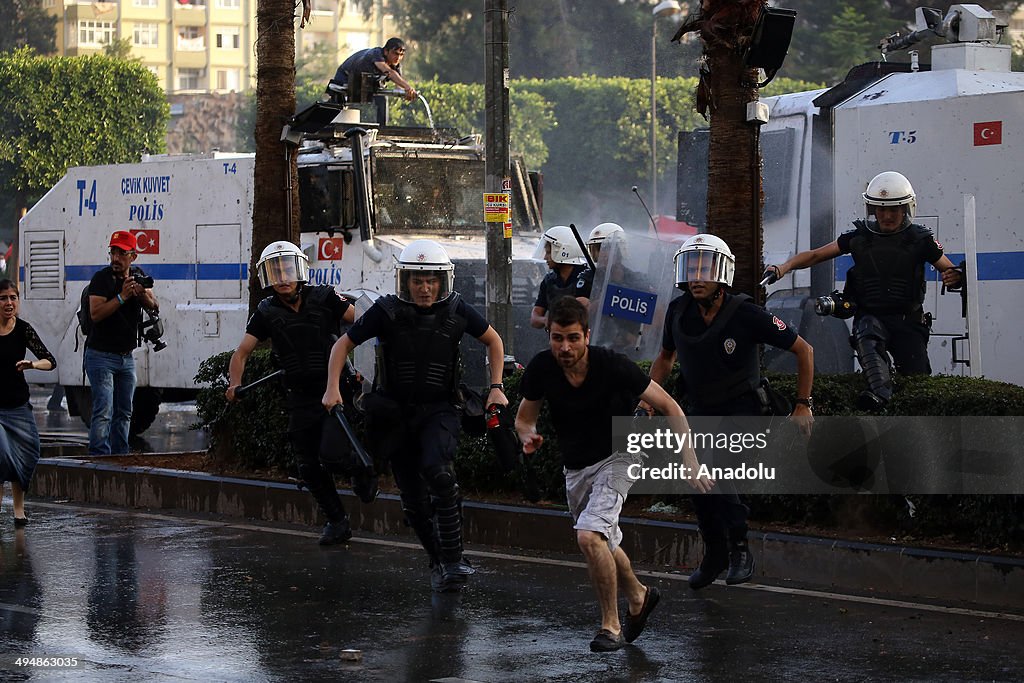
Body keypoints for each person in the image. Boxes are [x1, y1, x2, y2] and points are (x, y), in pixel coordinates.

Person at [515, 296, 712, 652]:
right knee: (603, 539)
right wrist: (528, 436)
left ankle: (611, 625)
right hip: (576, 467)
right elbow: (524, 419)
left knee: (590, 536)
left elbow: (671, 407)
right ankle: (639, 596)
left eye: (573, 338)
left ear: (587, 335)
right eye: (558, 338)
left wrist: (690, 460)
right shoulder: (542, 369)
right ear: (549, 336)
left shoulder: (612, 365)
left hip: (621, 454)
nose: (565, 346)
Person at [322, 239, 508, 591]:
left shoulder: (457, 310)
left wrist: (496, 385)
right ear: (406, 281)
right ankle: (438, 560)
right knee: (414, 499)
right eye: (418, 280)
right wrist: (333, 388)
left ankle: (454, 561)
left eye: (431, 281)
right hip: (393, 413)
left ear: (442, 282)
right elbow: (341, 345)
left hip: (440, 408)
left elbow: (494, 341)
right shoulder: (386, 311)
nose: (425, 288)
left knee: (439, 473)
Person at [646, 234, 814, 590]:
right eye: (691, 269)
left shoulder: (746, 312)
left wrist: (802, 405)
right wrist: (648, 399)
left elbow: (805, 350)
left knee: (716, 469)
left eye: (705, 269)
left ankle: (740, 549)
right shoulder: (678, 311)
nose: (697, 277)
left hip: (744, 409)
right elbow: (664, 358)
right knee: (696, 481)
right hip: (698, 410)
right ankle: (715, 553)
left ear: (722, 274)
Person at [764, 171, 962, 410]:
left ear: (906, 209)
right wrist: (784, 267)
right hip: (871, 316)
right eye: (881, 209)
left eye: (894, 210)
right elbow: (816, 255)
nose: (887, 216)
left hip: (908, 322)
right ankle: (877, 397)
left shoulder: (921, 240)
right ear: (872, 210)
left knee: (917, 384)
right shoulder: (859, 237)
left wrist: (954, 277)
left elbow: (951, 271)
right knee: (867, 334)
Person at [227, 241, 370, 546]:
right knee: (307, 465)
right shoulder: (265, 312)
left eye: (288, 269)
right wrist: (233, 384)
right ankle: (336, 522)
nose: (283, 277)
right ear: (267, 277)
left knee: (331, 455)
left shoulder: (326, 297)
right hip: (300, 396)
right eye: (275, 271)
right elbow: (241, 353)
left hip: (335, 390)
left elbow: (363, 320)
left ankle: (360, 470)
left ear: (300, 269)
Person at [85, 231, 158, 455]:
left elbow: (154, 305)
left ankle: (120, 456)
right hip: (100, 355)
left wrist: (140, 294)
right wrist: (121, 297)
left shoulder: (137, 276)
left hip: (126, 357)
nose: (115, 258)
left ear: (133, 257)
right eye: (113, 252)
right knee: (103, 410)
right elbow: (95, 313)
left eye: (121, 253)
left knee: (125, 411)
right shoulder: (101, 279)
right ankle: (100, 457)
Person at [0, 279, 56, 526]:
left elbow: (50, 360)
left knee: (26, 453)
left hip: (18, 406)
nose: (9, 303)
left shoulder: (23, 329)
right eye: (3, 298)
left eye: (13, 297)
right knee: (2, 456)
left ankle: (19, 510)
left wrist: (31, 364)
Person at [530, 225, 594, 329]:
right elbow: (534, 319)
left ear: (564, 252)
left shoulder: (588, 278)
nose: (545, 257)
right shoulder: (549, 281)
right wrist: (547, 320)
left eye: (549, 252)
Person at [329, 37, 417, 106]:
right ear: (386, 51)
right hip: (345, 77)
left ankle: (382, 128)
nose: (398, 58)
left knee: (382, 100)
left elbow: (399, 86)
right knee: (338, 105)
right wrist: (408, 87)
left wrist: (407, 94)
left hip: (367, 82)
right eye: (395, 53)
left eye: (401, 55)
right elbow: (388, 72)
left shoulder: (396, 66)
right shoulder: (376, 54)